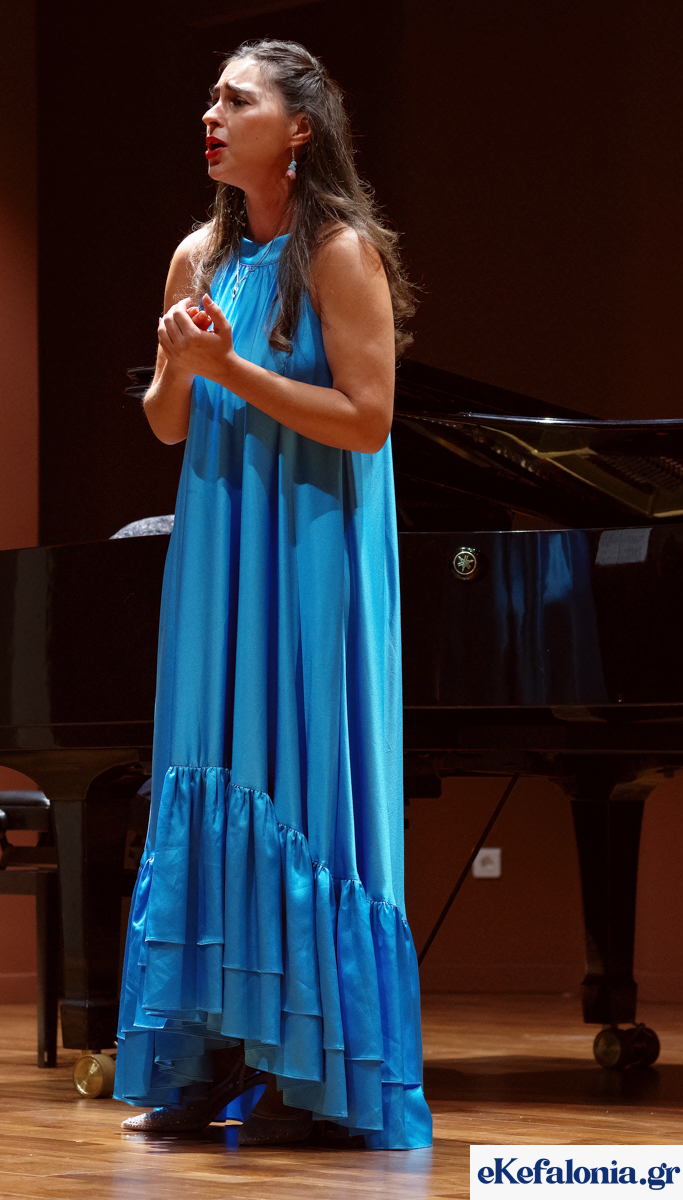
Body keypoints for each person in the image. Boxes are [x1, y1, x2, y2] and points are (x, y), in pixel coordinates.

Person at [114, 38, 433, 1151]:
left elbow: (367, 420)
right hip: (218, 549)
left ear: (298, 127)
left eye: (235, 100)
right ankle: (206, 1059)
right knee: (210, 769)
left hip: (307, 551)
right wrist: (176, 363)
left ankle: (315, 1074)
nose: (211, 114)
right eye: (210, 97)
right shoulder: (196, 257)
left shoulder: (338, 252)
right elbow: (167, 422)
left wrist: (228, 370)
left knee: (299, 784)